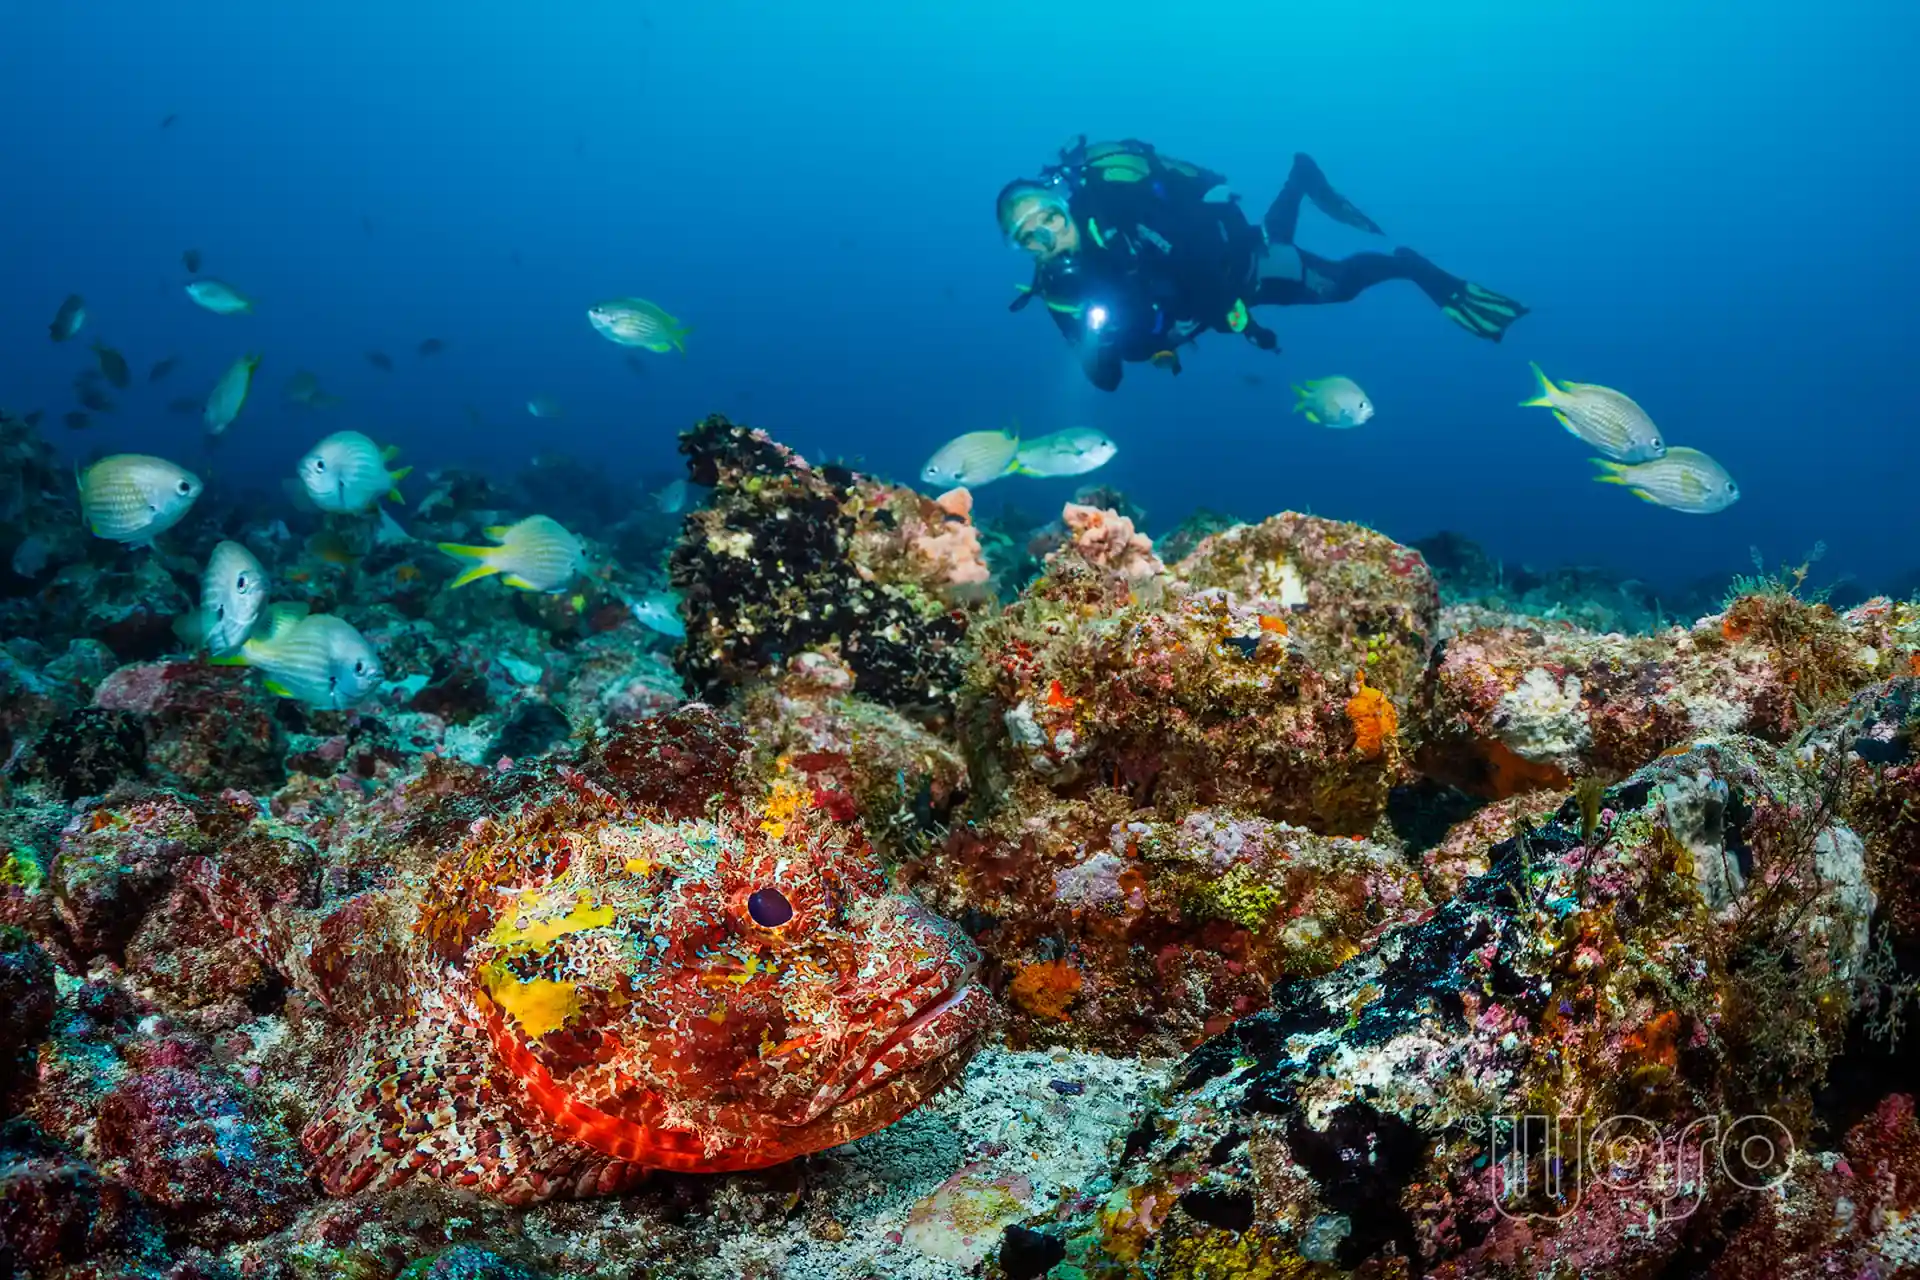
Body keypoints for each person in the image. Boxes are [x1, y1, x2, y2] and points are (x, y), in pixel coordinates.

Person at [998, 138, 1528, 391]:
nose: (1048, 237)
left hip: (1239, 273)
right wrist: (1100, 341)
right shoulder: (1056, 288)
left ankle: (1410, 266)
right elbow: (1106, 380)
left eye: (1050, 219)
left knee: (1336, 284)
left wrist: (1247, 325)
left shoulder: (1122, 214)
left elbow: (1201, 261)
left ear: (1064, 205)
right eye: (1029, 237)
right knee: (1277, 239)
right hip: (1205, 306)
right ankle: (1299, 179)